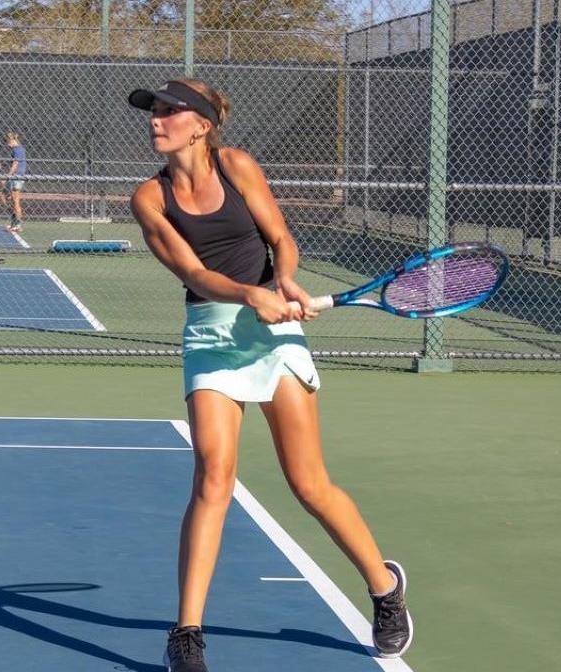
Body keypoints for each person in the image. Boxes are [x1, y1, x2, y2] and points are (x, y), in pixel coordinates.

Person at [126, 79, 413, 672]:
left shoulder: (237, 167)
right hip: (210, 334)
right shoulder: (148, 200)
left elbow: (281, 238)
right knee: (212, 476)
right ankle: (187, 633)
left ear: (201, 124)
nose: (155, 120)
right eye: (153, 112)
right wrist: (249, 294)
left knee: (308, 484)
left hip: (274, 335)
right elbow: (193, 273)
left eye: (167, 111)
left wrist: (283, 281)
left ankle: (385, 587)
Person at [2, 132, 27, 231]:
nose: (7, 145)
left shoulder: (18, 149)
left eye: (7, 142)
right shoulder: (14, 150)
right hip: (13, 177)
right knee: (3, 198)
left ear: (12, 140)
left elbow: (15, 164)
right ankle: (14, 221)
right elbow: (11, 162)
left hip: (17, 177)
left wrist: (7, 177)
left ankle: (18, 225)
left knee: (15, 201)